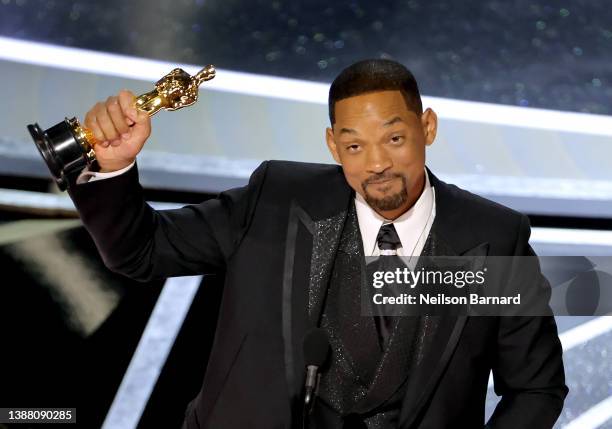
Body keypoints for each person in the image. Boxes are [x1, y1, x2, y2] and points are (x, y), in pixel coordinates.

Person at [67, 59, 567, 428]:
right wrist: (114, 168)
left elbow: (536, 387)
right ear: (332, 146)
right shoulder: (275, 200)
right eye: (354, 145)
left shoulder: (492, 237)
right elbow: (141, 251)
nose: (376, 163)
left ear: (427, 127)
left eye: (394, 139)